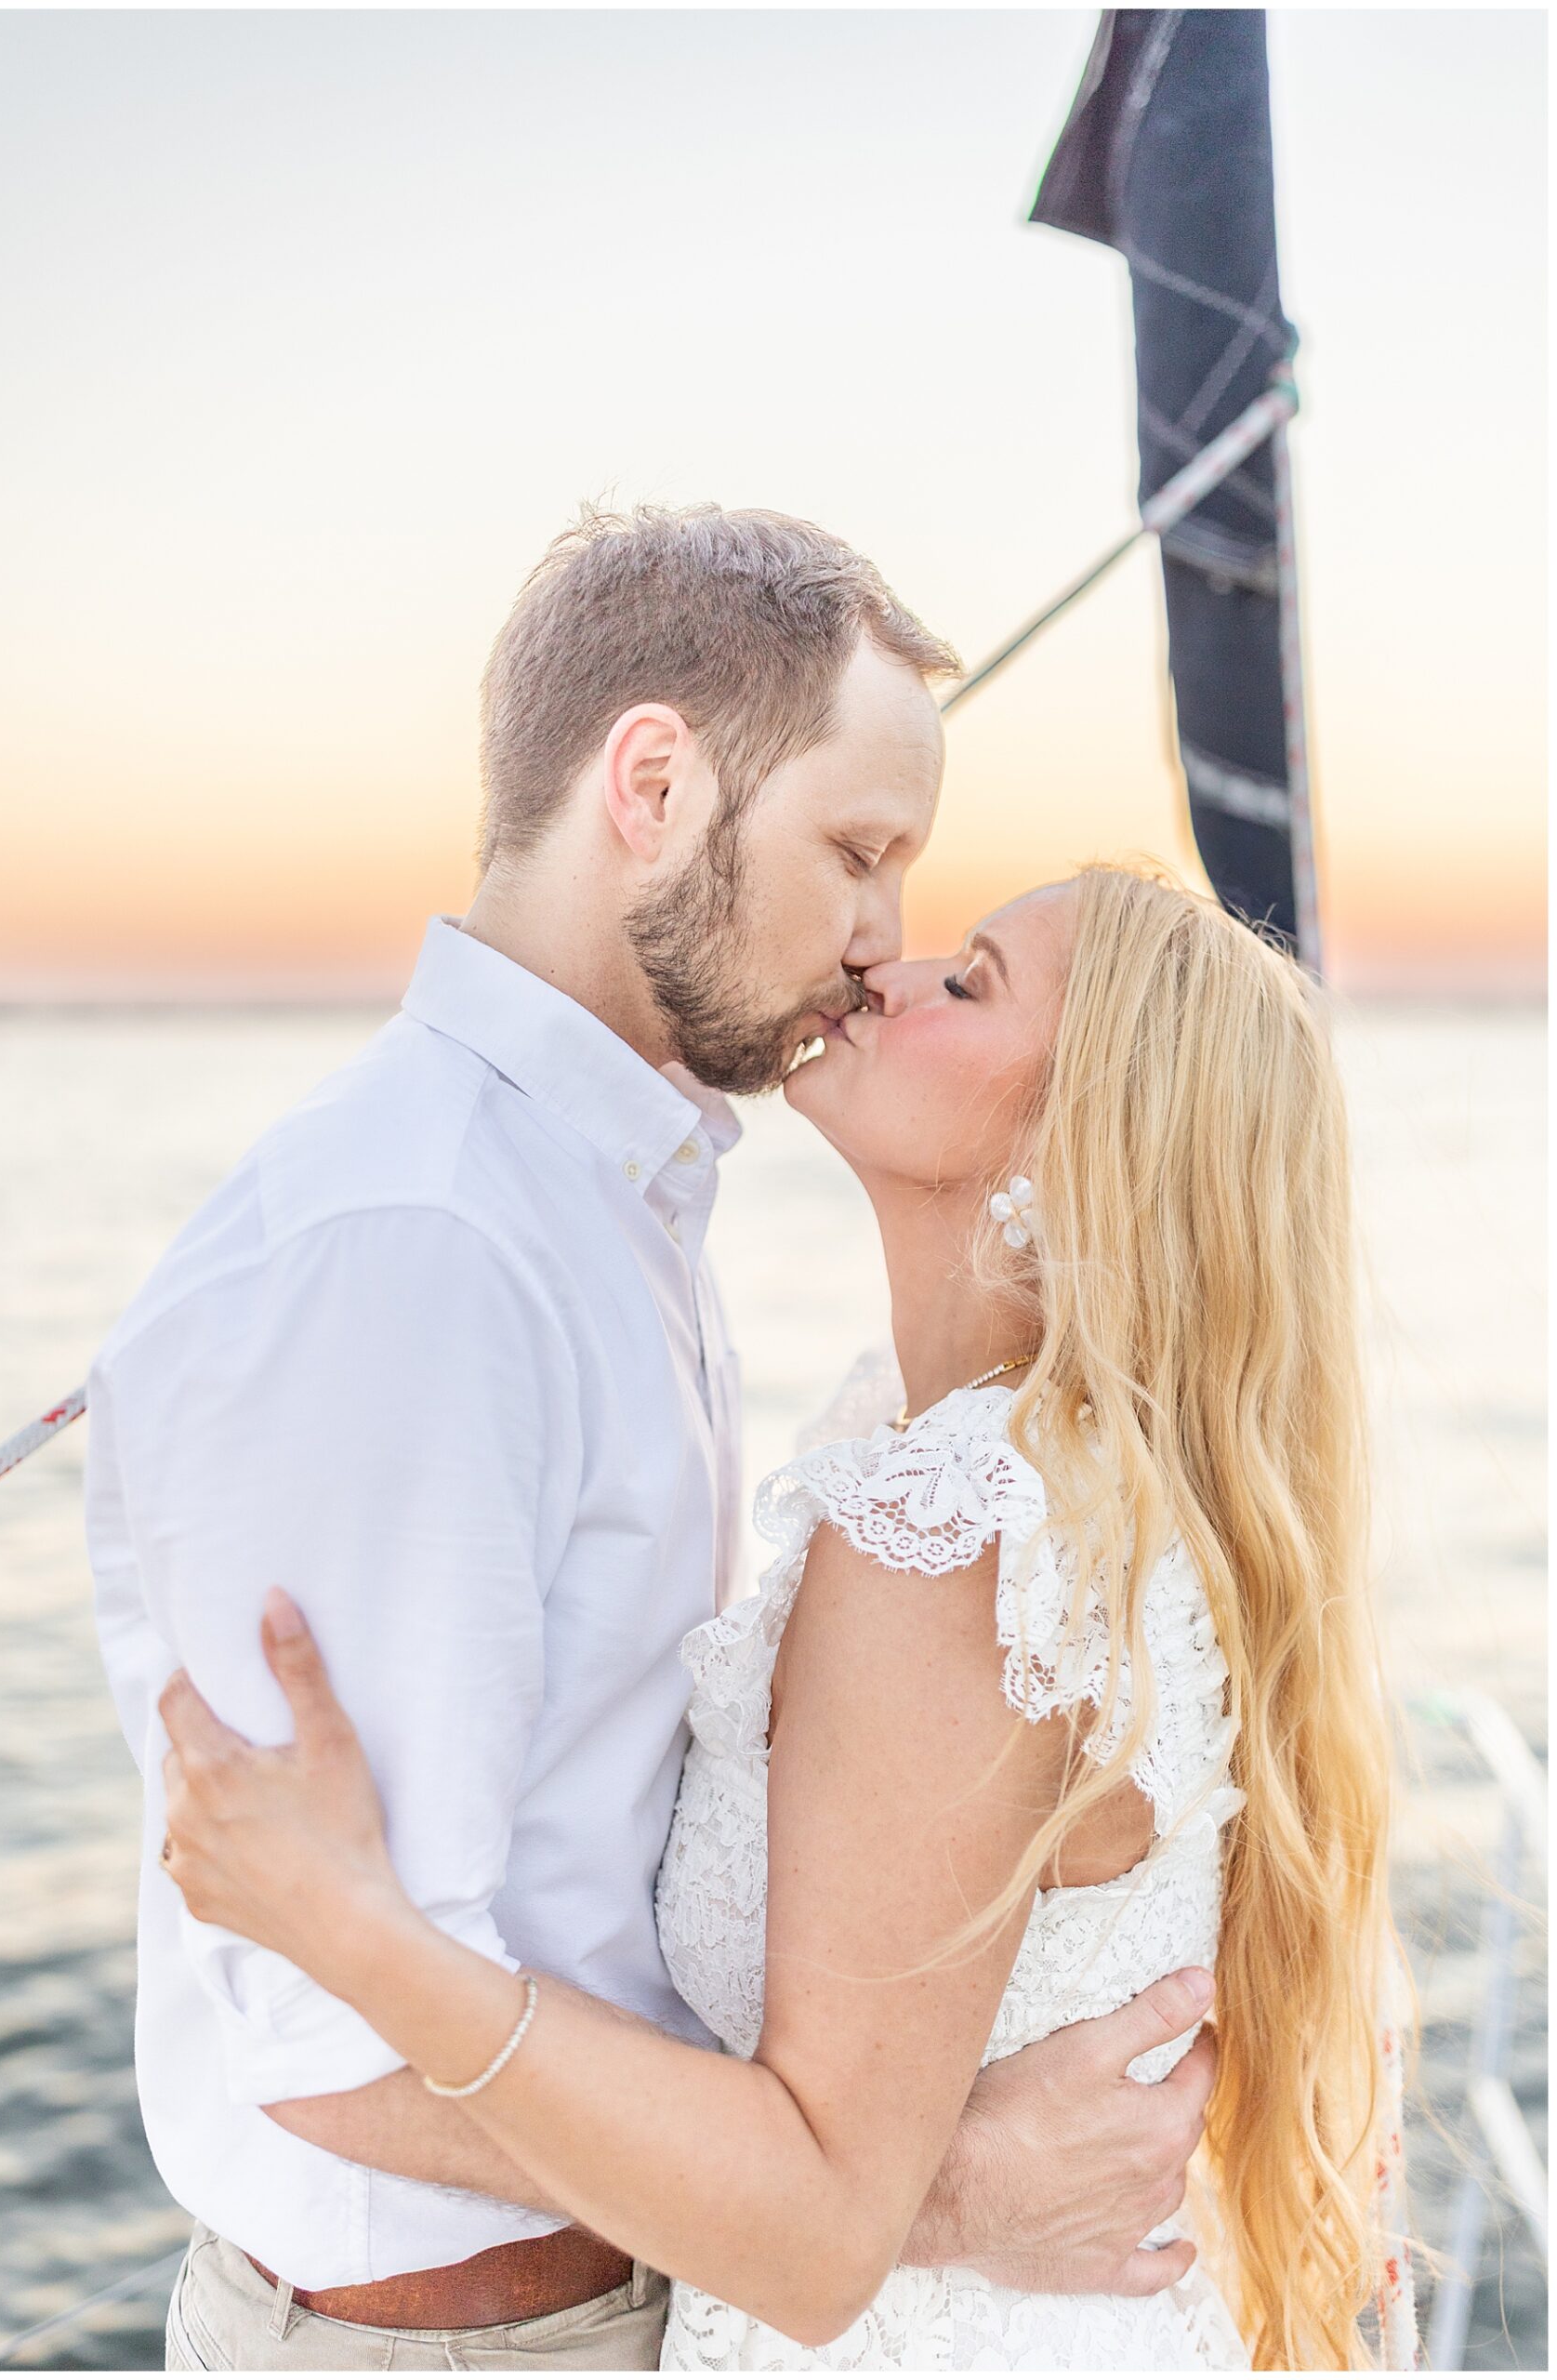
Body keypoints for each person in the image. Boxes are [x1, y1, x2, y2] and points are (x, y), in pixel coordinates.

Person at [86, 506, 1218, 2374]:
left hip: (621, 2294)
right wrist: (922, 2199)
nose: (879, 941)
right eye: (858, 851)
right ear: (651, 780)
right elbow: (330, 2027)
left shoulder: (616, 1197)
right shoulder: (420, 1249)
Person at [159, 865, 1419, 2372]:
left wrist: (357, 1941)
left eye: (972, 983)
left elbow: (818, 2221)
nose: (888, 964)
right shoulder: (1010, 1463)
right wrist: (957, 2179)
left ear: (1082, 1147)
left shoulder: (958, 1532)